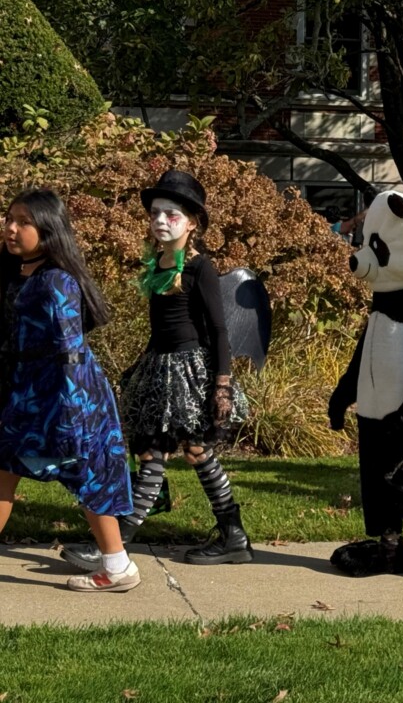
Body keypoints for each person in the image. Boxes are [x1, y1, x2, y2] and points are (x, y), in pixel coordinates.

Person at [62, 171, 251, 572]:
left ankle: (124, 544)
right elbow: (159, 328)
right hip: (159, 369)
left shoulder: (201, 266)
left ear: (193, 221)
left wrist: (223, 385)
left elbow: (218, 328)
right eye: (155, 214)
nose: (161, 221)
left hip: (189, 372)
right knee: (155, 451)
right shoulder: (159, 262)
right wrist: (138, 368)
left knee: (192, 451)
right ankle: (223, 538)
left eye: (172, 215)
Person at [0, 189, 139, 592]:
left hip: (65, 395)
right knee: (9, 470)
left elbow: (70, 351)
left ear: (48, 229)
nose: (11, 228)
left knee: (88, 474)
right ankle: (118, 566)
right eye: (9, 218)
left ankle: (118, 567)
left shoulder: (56, 279)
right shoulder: (17, 270)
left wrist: (73, 414)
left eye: (23, 222)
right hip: (28, 391)